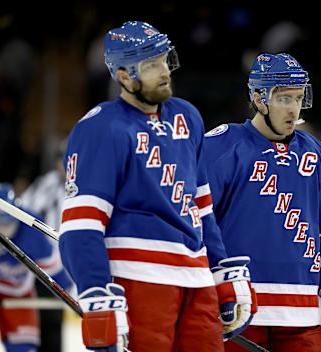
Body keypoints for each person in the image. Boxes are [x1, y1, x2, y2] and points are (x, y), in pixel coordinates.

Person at [58, 21, 257, 352]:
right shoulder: (101, 127)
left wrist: (221, 270)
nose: (164, 72)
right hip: (138, 278)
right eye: (151, 66)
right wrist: (96, 289)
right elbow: (81, 224)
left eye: (165, 60)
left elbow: (202, 208)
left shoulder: (188, 117)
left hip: (196, 278)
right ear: (123, 76)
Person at [204, 53, 321, 351]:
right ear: (259, 99)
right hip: (238, 312)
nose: (293, 109)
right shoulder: (221, 147)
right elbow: (195, 221)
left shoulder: (317, 155)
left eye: (298, 98)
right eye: (284, 99)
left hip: (302, 314)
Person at [0, 182, 72, 352]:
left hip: (18, 293)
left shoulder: (32, 232)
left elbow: (58, 276)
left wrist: (72, 294)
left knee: (23, 348)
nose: (2, 232)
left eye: (7, 225)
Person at [19, 139, 71, 352]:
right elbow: (22, 211)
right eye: (61, 159)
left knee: (53, 323)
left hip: (69, 266)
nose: (64, 165)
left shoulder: (89, 186)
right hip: (42, 265)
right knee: (39, 320)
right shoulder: (47, 183)